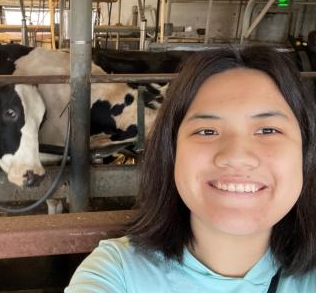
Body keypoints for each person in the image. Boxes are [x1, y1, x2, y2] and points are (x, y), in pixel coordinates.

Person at [65, 46, 316, 292]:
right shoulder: (116, 273)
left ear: (305, 152)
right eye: (206, 131)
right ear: (171, 151)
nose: (237, 156)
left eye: (268, 130)